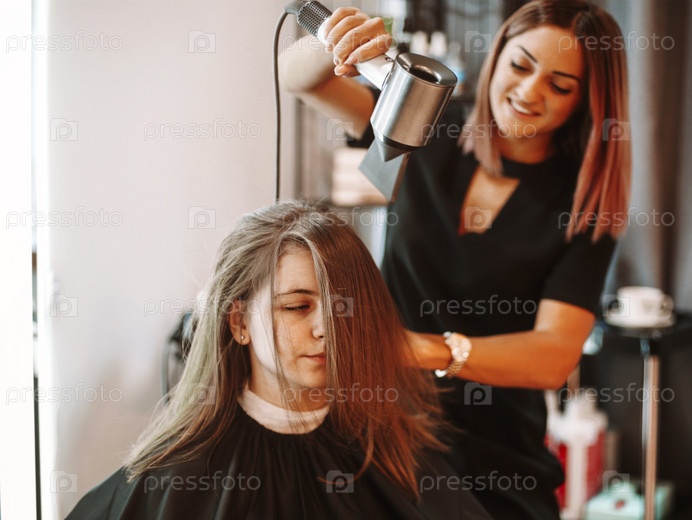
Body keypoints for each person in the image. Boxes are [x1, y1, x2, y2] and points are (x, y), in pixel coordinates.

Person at [279, 1, 631, 517]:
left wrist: (418, 350)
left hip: (494, 451)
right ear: (498, 55)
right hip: (380, 426)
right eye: (520, 65)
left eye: (559, 86)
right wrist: (337, 41)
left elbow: (553, 355)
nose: (529, 92)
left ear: (586, 101)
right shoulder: (427, 121)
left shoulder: (582, 203)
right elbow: (300, 80)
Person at [67, 201, 491, 519]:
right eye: (296, 307)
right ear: (239, 323)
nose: (327, 329)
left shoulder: (393, 454)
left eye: (342, 307)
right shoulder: (177, 477)